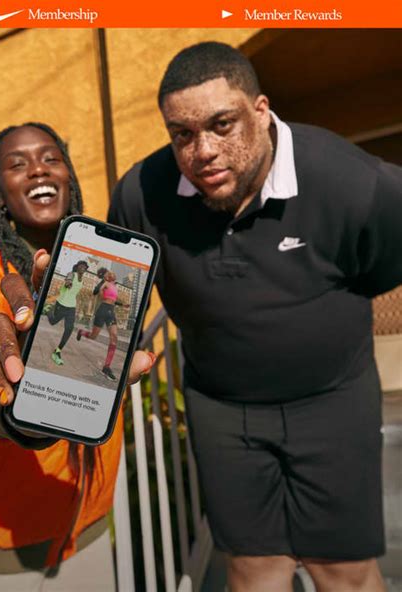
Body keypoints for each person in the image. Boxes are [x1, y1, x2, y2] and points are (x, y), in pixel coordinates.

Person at [108, 42, 402, 591]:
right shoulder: (140, 195)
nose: (203, 151)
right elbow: (111, 301)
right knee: (252, 568)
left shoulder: (353, 182)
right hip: (222, 407)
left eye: (222, 125)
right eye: (182, 134)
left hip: (332, 400)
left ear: (262, 111)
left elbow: (382, 268)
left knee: (341, 570)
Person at [0, 122, 155, 591]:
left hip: (87, 537)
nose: (38, 170)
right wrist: (7, 406)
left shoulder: (99, 273)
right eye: (17, 163)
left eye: (51, 158)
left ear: (69, 176)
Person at [77, 268, 129, 381]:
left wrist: (123, 305)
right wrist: (102, 285)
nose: (113, 275)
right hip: (103, 310)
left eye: (112, 274)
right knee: (93, 336)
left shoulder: (114, 286)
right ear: (107, 276)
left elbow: (113, 300)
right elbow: (96, 292)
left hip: (111, 312)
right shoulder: (105, 283)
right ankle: (81, 332)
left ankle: (106, 367)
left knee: (114, 338)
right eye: (110, 274)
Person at [48, 260, 89, 366]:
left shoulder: (82, 281)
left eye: (85, 267)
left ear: (85, 270)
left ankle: (57, 351)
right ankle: (49, 310)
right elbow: (68, 281)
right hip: (61, 304)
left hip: (71, 307)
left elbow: (74, 293)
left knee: (69, 328)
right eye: (81, 266)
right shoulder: (72, 274)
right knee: (52, 322)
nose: (83, 268)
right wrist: (68, 283)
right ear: (77, 267)